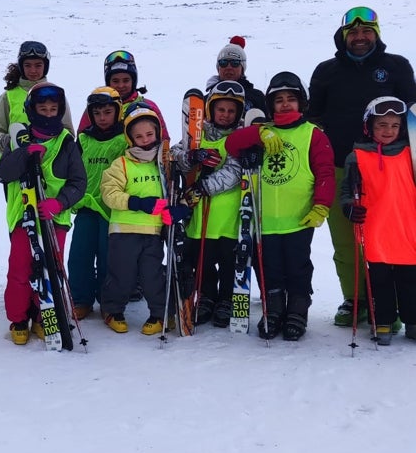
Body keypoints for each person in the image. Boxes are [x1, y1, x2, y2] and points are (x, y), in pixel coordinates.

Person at [308, 6, 416, 326]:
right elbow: (313, 120)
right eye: (352, 32)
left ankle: (393, 302)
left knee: (392, 239)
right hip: (344, 166)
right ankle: (355, 299)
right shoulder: (326, 71)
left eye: (366, 31)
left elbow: (412, 117)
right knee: (345, 240)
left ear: (376, 33)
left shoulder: (396, 67)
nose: (359, 37)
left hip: (390, 170)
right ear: (343, 36)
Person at [225, 72, 335, 341]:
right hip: (265, 221)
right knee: (268, 268)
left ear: (301, 103)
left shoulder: (313, 134)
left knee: (297, 266)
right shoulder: (262, 133)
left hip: (298, 218)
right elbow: (232, 144)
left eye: (291, 99)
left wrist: (321, 206)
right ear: (270, 105)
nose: (285, 105)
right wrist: (260, 131)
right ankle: (272, 309)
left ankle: (297, 309)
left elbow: (325, 173)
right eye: (279, 100)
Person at [0, 82, 86, 344]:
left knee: (50, 269)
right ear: (32, 110)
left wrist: (59, 202)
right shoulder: (19, 138)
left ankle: (42, 314)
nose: (48, 113)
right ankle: (18, 318)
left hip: (53, 219)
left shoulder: (67, 143)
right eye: (42, 108)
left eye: (53, 109)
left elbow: (78, 182)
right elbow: (4, 173)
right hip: (24, 217)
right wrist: (23, 153)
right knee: (21, 269)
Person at [100, 104, 189, 335]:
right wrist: (138, 202)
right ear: (130, 139)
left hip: (153, 233)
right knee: (122, 274)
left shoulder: (166, 164)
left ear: (158, 133)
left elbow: (177, 193)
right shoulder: (121, 164)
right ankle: (113, 310)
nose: (145, 140)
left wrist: (177, 209)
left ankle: (160, 314)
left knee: (152, 276)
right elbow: (109, 193)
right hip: (123, 232)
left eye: (149, 134)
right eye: (138, 136)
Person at [341, 97, 416, 345]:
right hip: (375, 230)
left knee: (410, 282)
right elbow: (346, 191)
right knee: (379, 281)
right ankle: (382, 320)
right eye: (382, 125)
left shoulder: (411, 152)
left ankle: (413, 321)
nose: (388, 131)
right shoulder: (358, 156)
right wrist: (349, 208)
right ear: (369, 127)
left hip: (407, 229)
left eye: (394, 125)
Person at [171, 81, 244, 327]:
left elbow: (234, 172)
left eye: (231, 111)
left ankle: (226, 299)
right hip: (201, 212)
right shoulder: (197, 133)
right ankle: (207, 298)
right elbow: (174, 155)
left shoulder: (238, 138)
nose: (226, 115)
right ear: (212, 110)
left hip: (227, 213)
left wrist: (204, 186)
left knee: (227, 261)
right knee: (202, 259)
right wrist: (192, 156)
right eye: (221, 110)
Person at [68, 87, 126, 319]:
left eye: (108, 112)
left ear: (117, 112)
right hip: (86, 206)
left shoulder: (125, 138)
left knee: (108, 258)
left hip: (112, 209)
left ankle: (108, 303)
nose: (102, 118)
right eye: (98, 113)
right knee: (79, 255)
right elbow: (71, 169)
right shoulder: (83, 138)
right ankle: (81, 299)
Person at [0, 41, 74, 155]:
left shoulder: (55, 95)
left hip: (50, 164)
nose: (33, 70)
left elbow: (68, 133)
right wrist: (9, 142)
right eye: (28, 65)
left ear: (45, 66)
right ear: (21, 66)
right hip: (15, 165)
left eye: (38, 65)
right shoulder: (7, 97)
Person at [77, 50, 169, 139]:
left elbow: (163, 140)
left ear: (133, 81)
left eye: (126, 80)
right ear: (108, 82)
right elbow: (82, 137)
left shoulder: (148, 106)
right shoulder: (96, 106)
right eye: (115, 81)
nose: (121, 85)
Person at [206, 36, 266, 116]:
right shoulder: (206, 100)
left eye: (235, 63)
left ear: (242, 69)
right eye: (223, 62)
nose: (229, 67)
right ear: (218, 68)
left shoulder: (256, 97)